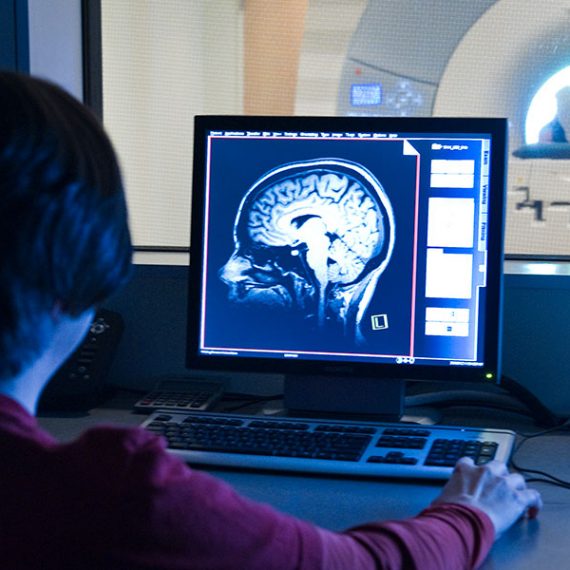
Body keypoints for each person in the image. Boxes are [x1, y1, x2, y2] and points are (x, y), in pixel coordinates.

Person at [0, 70, 541, 569]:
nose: (229, 276)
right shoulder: (110, 493)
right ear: (80, 263)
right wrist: (474, 513)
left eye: (261, 258)